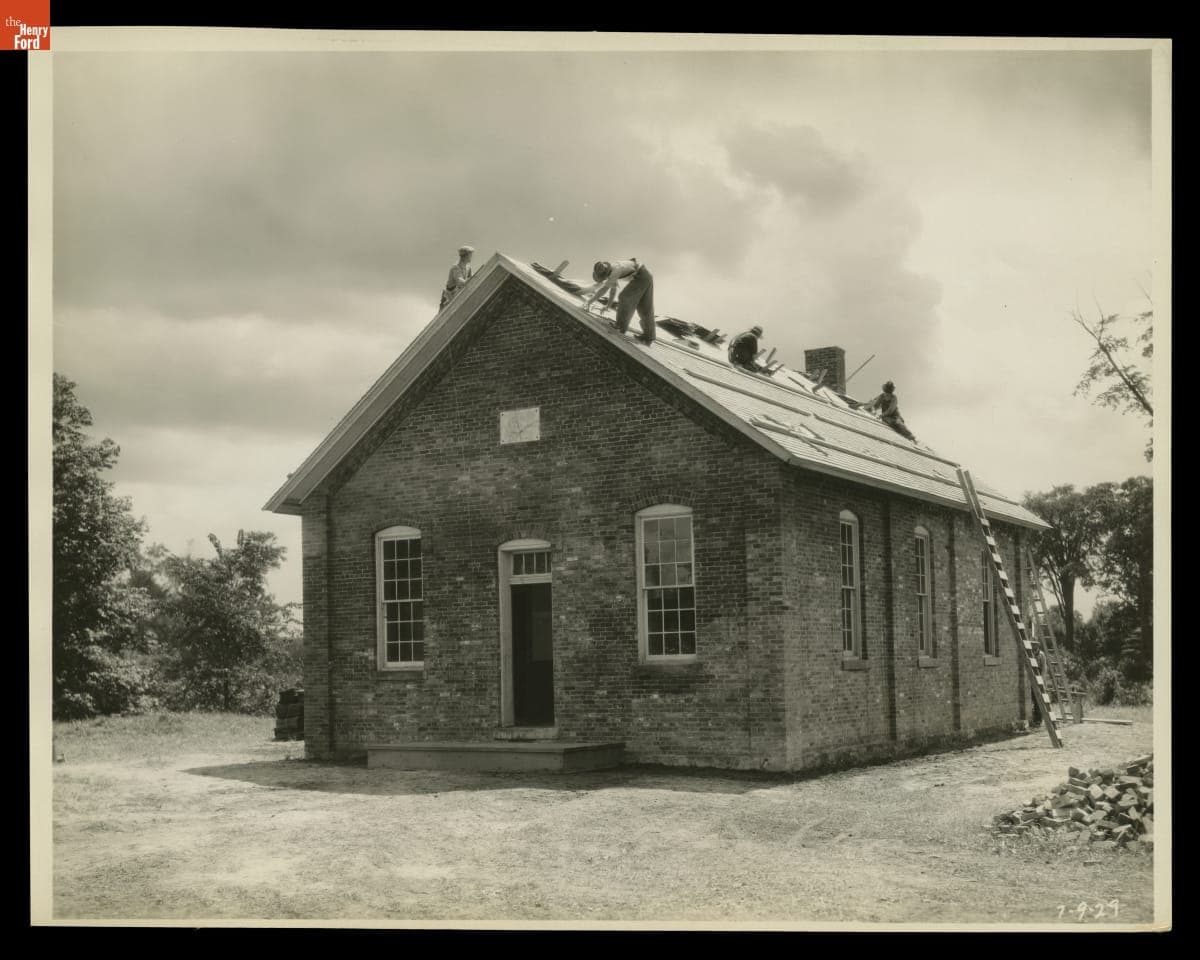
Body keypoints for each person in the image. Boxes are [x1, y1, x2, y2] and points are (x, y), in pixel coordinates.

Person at [581, 258, 656, 344]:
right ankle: (648, 336)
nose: (605, 279)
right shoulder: (613, 269)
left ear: (605, 274)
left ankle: (620, 326)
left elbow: (604, 290)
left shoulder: (615, 271)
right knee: (644, 307)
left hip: (641, 275)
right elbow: (613, 291)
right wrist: (608, 306)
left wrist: (589, 302)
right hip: (646, 275)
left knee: (624, 297)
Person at [439, 245, 474, 309]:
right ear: (466, 256)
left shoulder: (468, 266)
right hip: (448, 298)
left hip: (457, 295)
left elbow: (472, 277)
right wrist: (469, 280)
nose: (471, 257)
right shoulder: (456, 267)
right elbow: (460, 281)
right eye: (470, 255)